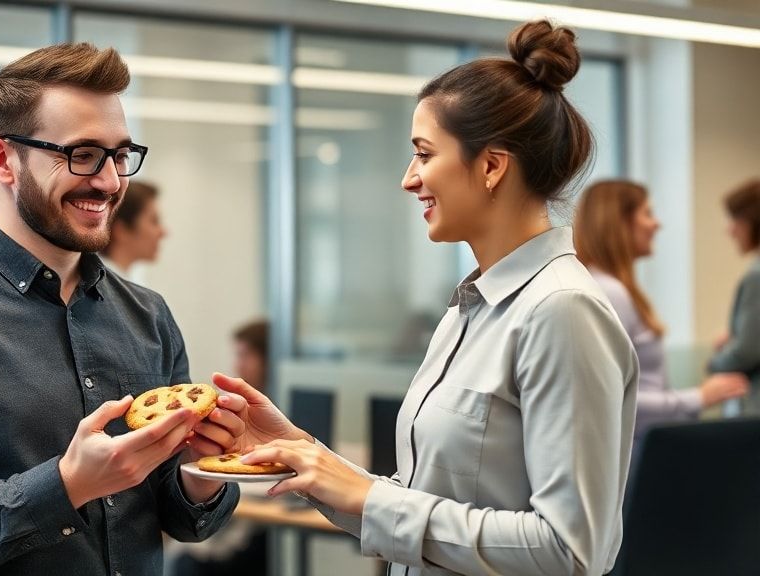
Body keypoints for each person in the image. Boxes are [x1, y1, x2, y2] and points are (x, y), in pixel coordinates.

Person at [211, 20, 639, 575]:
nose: (409, 179)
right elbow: (423, 500)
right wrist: (299, 453)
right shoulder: (471, 309)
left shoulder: (562, 311)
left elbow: (572, 549)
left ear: (491, 166)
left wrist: (370, 498)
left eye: (424, 154)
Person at [0, 43, 243, 576]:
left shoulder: (149, 316)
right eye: (82, 154)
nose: (110, 181)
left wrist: (200, 472)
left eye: (120, 155)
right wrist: (67, 486)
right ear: (2, 160)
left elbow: (181, 519)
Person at [574, 180, 748, 440]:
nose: (656, 224)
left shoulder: (612, 288)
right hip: (637, 448)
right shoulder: (610, 292)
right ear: (619, 222)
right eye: (647, 214)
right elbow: (610, 397)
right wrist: (699, 397)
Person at [169, 319, 270, 576]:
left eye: (245, 355)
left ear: (267, 359)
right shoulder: (235, 407)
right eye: (237, 355)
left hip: (248, 539)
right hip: (218, 527)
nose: (238, 365)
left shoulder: (275, 411)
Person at [709, 178, 760, 415]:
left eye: (736, 219)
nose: (730, 230)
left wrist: (715, 362)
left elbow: (747, 352)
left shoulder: (756, 276)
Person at [100, 181, 167, 283]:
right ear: (121, 230)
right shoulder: (104, 285)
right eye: (154, 221)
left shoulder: (128, 282)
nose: (163, 232)